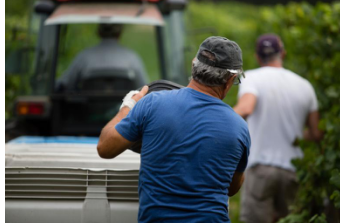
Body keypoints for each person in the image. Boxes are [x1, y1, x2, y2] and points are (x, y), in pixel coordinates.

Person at [97, 36, 251, 222]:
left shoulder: (151, 104)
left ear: (194, 65)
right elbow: (232, 188)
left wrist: (128, 105)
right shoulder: (239, 128)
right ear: (230, 80)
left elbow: (105, 148)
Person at [234, 34, 323, 223]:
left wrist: (213, 119)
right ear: (283, 53)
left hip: (260, 168)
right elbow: (316, 133)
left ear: (258, 57)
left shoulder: (252, 77)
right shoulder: (305, 86)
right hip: (292, 170)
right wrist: (295, 134)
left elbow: (246, 108)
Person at [56, 24, 148, 91]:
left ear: (99, 32)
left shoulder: (84, 56)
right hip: (125, 114)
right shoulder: (132, 57)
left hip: (87, 113)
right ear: (120, 33)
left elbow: (66, 84)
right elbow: (143, 88)